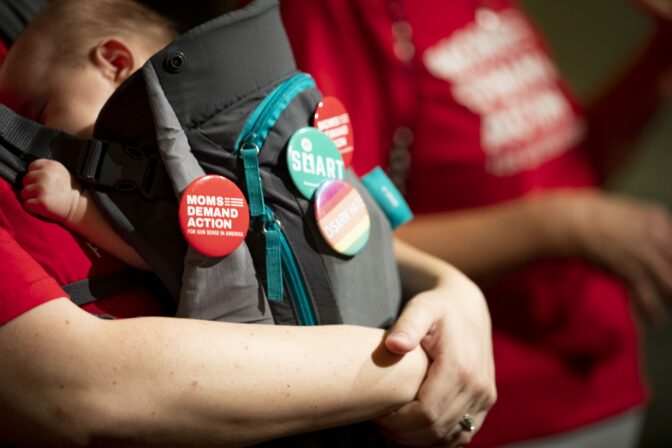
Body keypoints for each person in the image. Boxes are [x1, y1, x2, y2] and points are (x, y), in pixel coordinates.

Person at [0, 0, 496, 446]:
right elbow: (72, 393)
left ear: (114, 61)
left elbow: (169, 245)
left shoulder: (159, 158)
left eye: (41, 111)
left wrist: (76, 206)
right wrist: (407, 364)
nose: (37, 133)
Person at [280, 0, 672, 446]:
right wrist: (564, 224)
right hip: (501, 400)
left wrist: (661, 56)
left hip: (604, 377)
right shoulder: (335, 11)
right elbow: (339, 233)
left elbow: (569, 169)